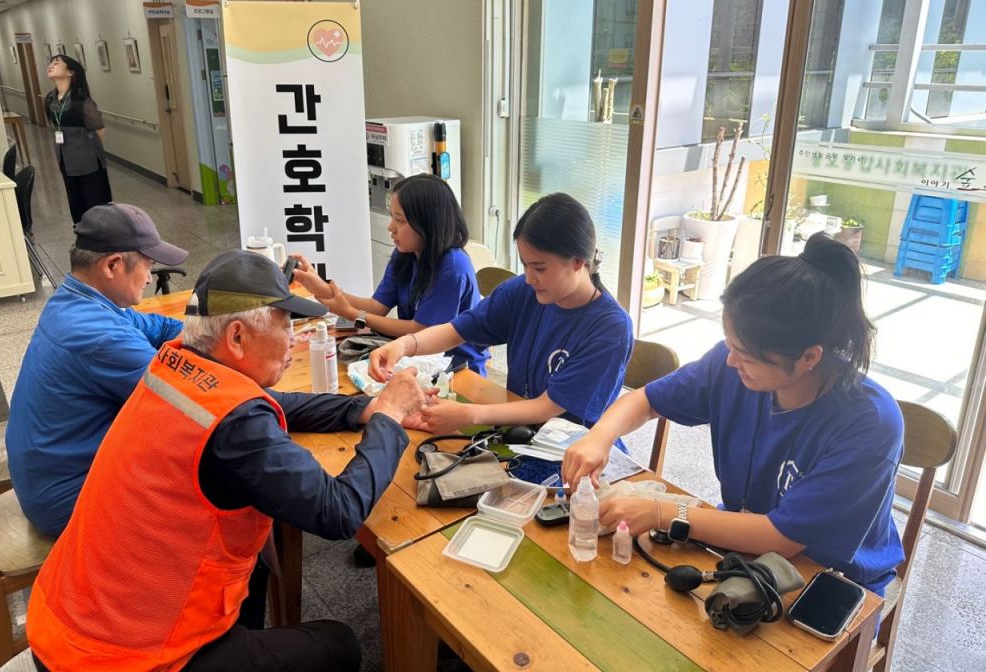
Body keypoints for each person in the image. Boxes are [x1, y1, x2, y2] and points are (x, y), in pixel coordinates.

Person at [27, 250, 427, 672]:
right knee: (338, 644)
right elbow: (339, 511)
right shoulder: (237, 426)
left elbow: (269, 402)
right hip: (121, 659)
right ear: (237, 337)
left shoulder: (173, 363)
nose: (293, 339)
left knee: (253, 560)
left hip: (66, 621)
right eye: (285, 325)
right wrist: (388, 418)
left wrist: (362, 409)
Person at [562, 233, 904, 595]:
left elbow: (783, 537)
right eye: (729, 344)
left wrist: (661, 511)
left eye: (746, 355)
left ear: (809, 357)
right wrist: (599, 437)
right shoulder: (733, 367)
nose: (731, 361)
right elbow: (647, 400)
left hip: (831, 580)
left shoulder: (869, 424)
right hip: (743, 544)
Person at [369, 192, 634, 434]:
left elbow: (547, 407)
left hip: (573, 450)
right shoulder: (523, 291)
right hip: (517, 430)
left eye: (539, 268)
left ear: (578, 262)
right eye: (525, 265)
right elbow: (456, 330)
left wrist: (469, 414)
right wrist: (405, 345)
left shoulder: (610, 329)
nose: (529, 277)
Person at [7, 203, 188, 537]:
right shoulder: (99, 335)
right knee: (214, 477)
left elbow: (159, 326)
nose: (151, 278)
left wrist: (203, 336)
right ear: (112, 265)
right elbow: (189, 398)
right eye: (148, 265)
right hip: (66, 499)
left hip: (45, 474)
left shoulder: (77, 299)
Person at [294, 173, 489, 374]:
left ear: (428, 224)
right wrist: (323, 289)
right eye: (392, 217)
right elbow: (376, 307)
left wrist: (352, 314)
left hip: (457, 369)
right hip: (413, 358)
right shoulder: (406, 254)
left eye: (399, 220)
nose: (391, 227)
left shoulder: (453, 267)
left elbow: (421, 332)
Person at [45, 54, 112, 224]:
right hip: (65, 159)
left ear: (70, 72)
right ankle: (82, 233)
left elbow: (99, 130)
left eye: (56, 63)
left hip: (87, 160)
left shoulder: (82, 101)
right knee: (75, 202)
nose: (51, 66)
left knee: (95, 201)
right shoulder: (50, 99)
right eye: (50, 63)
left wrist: (86, 148)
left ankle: (100, 235)